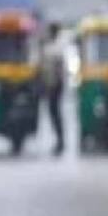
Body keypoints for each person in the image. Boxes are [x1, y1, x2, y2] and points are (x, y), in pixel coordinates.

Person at [42, 22, 66, 156]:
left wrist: (55, 86)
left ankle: (60, 142)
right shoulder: (51, 46)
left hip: (55, 87)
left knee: (56, 115)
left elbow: (59, 72)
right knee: (54, 115)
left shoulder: (56, 48)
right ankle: (59, 141)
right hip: (51, 86)